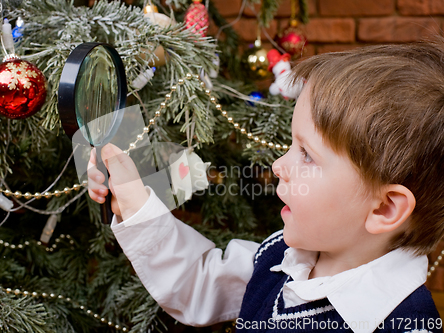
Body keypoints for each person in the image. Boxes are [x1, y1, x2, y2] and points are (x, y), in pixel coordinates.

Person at [87, 39, 444, 332]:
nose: (278, 166)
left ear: (384, 208)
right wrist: (136, 205)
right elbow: (202, 281)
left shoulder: (403, 325)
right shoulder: (279, 256)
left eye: (307, 155)